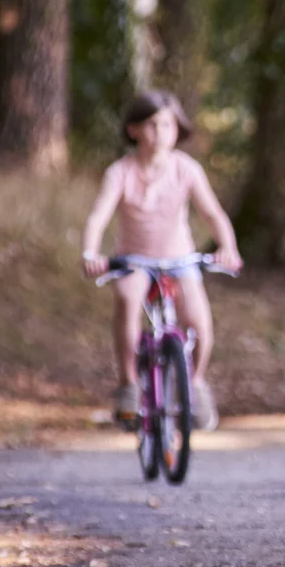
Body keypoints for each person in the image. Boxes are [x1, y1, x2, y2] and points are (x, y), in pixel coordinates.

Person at [81, 91, 243, 430]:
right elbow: (98, 217)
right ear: (133, 130)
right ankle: (128, 386)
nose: (161, 133)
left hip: (180, 258)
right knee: (128, 300)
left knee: (198, 321)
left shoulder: (186, 169)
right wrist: (91, 254)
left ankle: (195, 383)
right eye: (152, 125)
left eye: (168, 125)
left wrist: (228, 247)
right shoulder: (120, 172)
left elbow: (212, 213)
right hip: (134, 260)